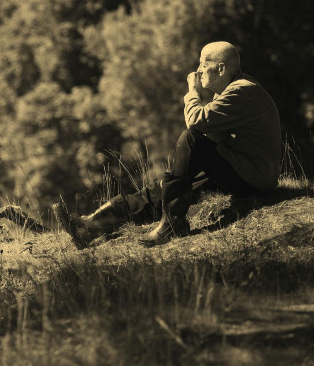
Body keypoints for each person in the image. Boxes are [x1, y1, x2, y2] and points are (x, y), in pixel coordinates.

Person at [53, 41, 281, 248]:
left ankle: (172, 225)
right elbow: (216, 136)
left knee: (189, 140)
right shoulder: (233, 91)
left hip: (254, 178)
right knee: (166, 187)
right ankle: (93, 225)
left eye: (203, 64)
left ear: (221, 68)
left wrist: (191, 93)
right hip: (243, 170)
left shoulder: (242, 90)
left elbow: (196, 123)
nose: (198, 71)